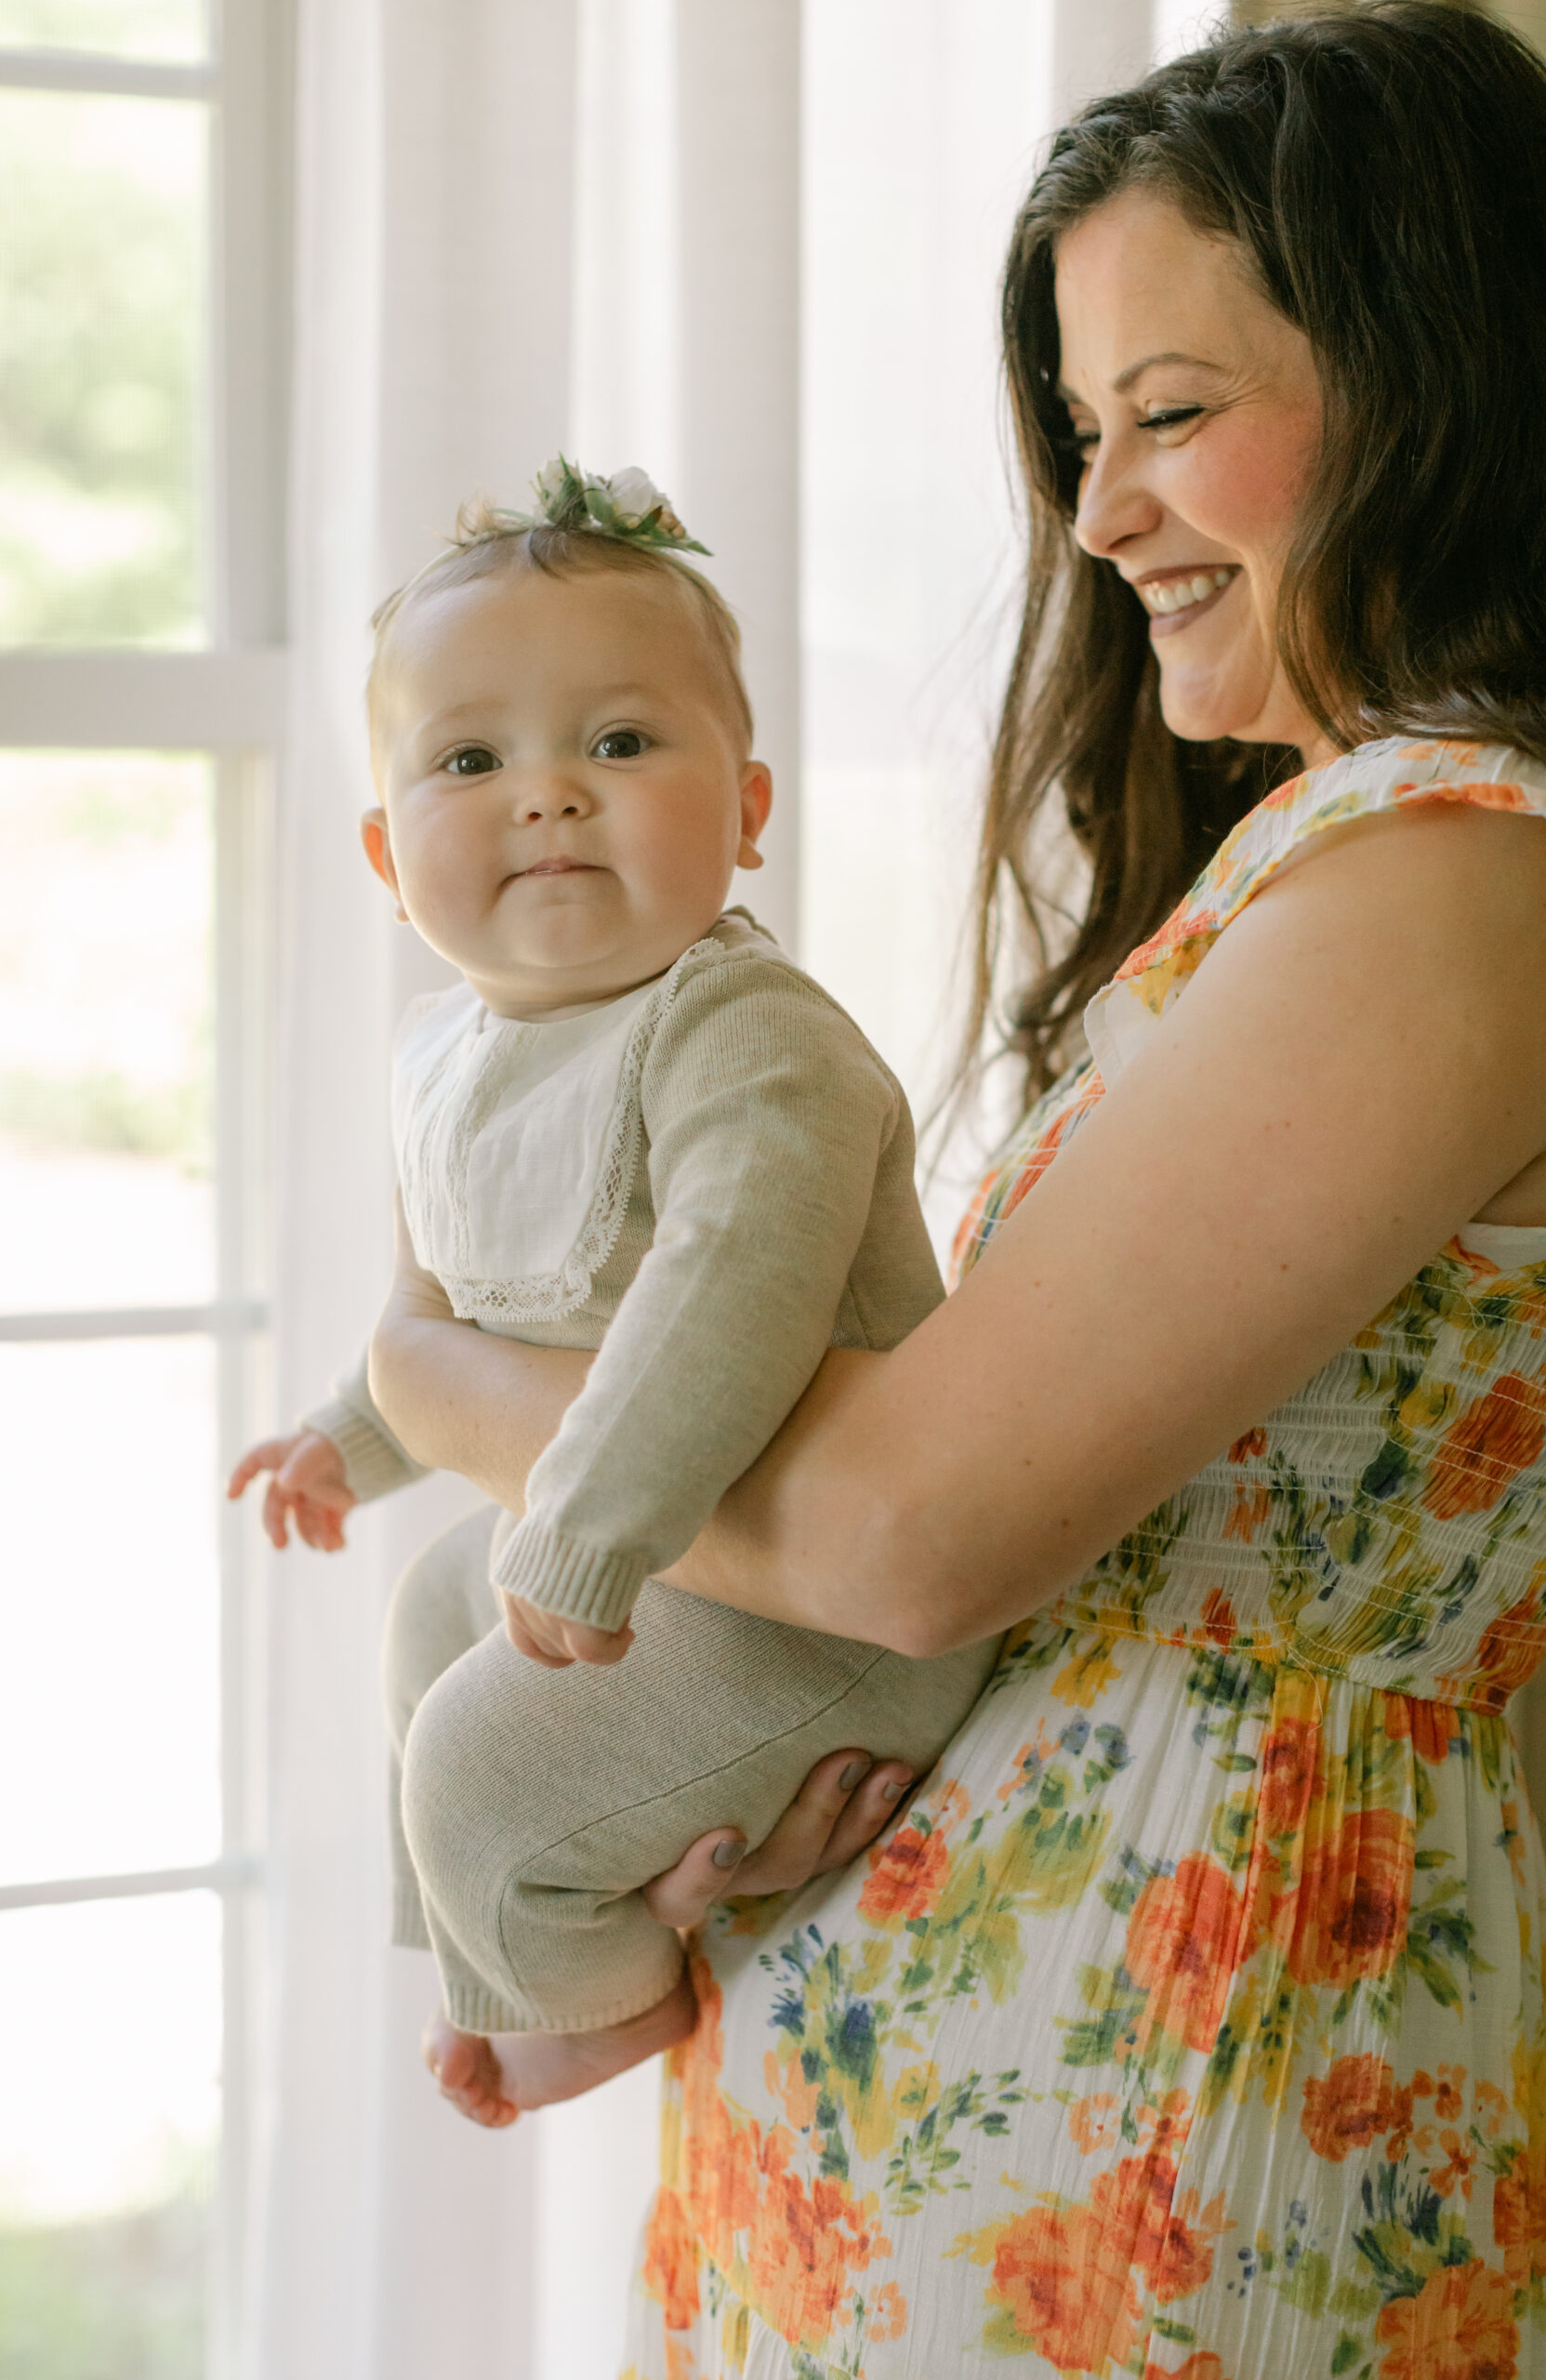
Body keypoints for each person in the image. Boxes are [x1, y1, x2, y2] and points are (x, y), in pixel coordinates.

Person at [366, 6, 1546, 2373]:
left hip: (1185, 2074)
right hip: (985, 2040)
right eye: (1077, 431)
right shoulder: (1321, 858)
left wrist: (435, 1372)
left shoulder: (1445, 893)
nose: (1098, 510)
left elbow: (909, 1525)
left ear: (1434, 380)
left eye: (1168, 415)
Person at [228, 458, 998, 2122]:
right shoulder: (449, 1053)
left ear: (748, 811)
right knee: (434, 1609)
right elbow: (454, 1317)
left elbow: (724, 1300)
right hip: (673, 1553)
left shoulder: (748, 1036)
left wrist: (581, 1530)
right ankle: (513, 1961)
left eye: (622, 743)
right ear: (383, 847)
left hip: (826, 1601)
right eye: (470, 758)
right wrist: (342, 1444)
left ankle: (584, 1998)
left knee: (477, 1757)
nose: (548, 795)